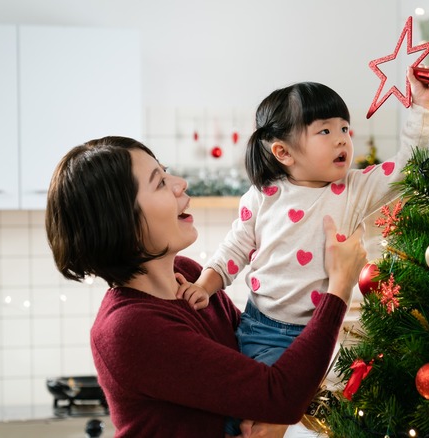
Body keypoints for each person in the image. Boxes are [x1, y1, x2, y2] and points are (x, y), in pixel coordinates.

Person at [45, 136, 367, 438]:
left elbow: (259, 371)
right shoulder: (128, 328)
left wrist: (270, 412)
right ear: (121, 223)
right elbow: (279, 393)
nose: (179, 183)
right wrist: (338, 286)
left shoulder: (189, 277)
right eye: (159, 182)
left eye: (166, 172)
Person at [178, 68, 429, 363]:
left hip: (325, 332)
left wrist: (423, 106)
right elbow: (234, 250)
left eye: (344, 128)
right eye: (325, 131)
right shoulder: (264, 195)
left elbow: (409, 165)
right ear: (284, 152)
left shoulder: (355, 188)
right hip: (263, 331)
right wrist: (203, 286)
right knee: (274, 400)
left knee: (324, 403)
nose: (342, 140)